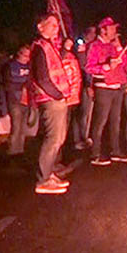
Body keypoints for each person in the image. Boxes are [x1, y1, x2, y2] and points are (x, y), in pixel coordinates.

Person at [28, 14, 73, 195]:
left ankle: (49, 173)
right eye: (52, 24)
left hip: (57, 99)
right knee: (53, 139)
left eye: (56, 25)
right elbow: (43, 77)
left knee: (59, 138)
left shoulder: (49, 47)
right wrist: (58, 95)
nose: (56, 28)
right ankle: (43, 179)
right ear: (40, 26)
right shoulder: (39, 47)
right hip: (51, 100)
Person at [85, 17, 127, 165]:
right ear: (103, 30)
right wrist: (104, 67)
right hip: (104, 88)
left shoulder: (112, 46)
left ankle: (115, 151)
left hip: (117, 87)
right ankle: (95, 154)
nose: (115, 31)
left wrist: (118, 47)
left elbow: (124, 63)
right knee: (101, 121)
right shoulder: (94, 46)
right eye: (112, 28)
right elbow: (89, 67)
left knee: (116, 121)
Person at [1, 44, 31, 159]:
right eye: (24, 54)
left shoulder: (30, 67)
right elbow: (7, 84)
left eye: (28, 56)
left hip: (26, 100)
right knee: (16, 127)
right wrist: (20, 88)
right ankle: (12, 152)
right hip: (15, 101)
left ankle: (20, 151)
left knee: (23, 128)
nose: (26, 58)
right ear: (19, 53)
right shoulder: (10, 66)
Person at [60, 37, 85, 150]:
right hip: (64, 95)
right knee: (63, 123)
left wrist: (81, 53)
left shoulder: (74, 56)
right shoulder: (59, 54)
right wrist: (65, 49)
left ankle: (76, 141)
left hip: (75, 94)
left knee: (75, 119)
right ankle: (60, 147)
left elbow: (83, 65)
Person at [76, 26, 97, 150]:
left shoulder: (93, 47)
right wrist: (87, 85)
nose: (93, 35)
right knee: (83, 113)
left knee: (87, 112)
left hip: (90, 83)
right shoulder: (81, 47)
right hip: (83, 84)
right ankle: (80, 138)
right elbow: (83, 68)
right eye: (91, 32)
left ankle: (85, 136)